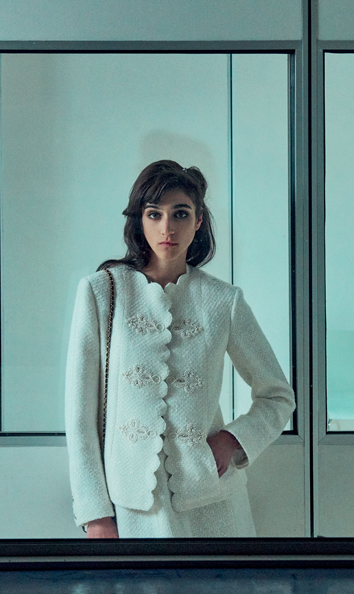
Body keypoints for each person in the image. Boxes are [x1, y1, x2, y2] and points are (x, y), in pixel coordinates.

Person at [65, 160, 295, 537]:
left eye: (180, 214)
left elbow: (278, 396)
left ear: (199, 221)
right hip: (132, 510)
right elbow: (80, 416)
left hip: (214, 506)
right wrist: (95, 515)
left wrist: (232, 440)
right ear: (139, 220)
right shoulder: (101, 293)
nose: (167, 228)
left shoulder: (224, 301)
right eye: (154, 214)